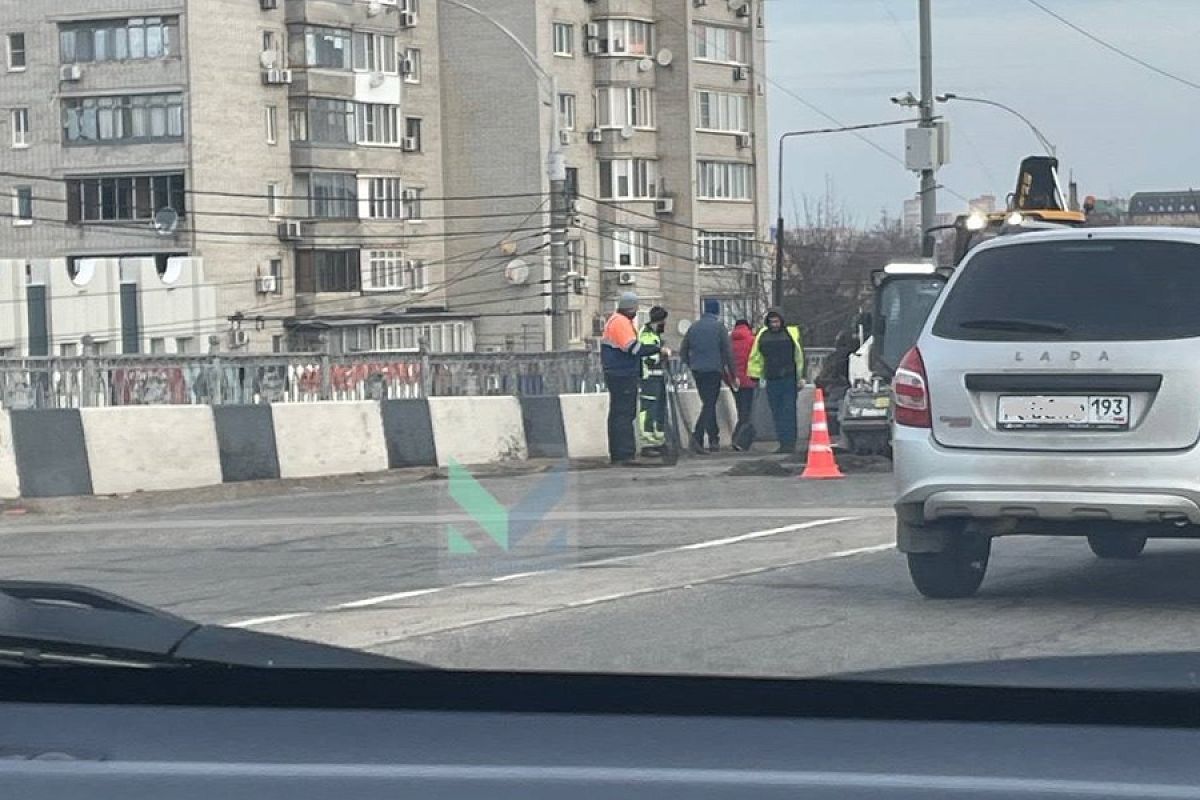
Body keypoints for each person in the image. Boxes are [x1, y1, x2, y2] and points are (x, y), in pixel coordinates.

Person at [601, 292, 666, 465]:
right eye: (636, 307)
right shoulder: (620, 323)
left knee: (618, 413)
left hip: (617, 373)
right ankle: (624, 453)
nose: (637, 311)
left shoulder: (617, 321)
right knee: (624, 413)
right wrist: (657, 349)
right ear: (631, 307)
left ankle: (619, 453)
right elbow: (634, 349)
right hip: (621, 374)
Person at [747, 308, 805, 455]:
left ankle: (789, 442)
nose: (774, 324)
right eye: (772, 321)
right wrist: (754, 374)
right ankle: (783, 442)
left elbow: (799, 357)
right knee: (777, 413)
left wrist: (801, 377)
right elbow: (756, 356)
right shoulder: (763, 335)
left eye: (777, 321)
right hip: (772, 378)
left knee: (788, 411)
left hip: (788, 378)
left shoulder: (792, 333)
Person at [679, 299, 733, 454]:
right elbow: (728, 352)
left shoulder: (693, 327)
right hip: (714, 371)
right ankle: (697, 437)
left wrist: (691, 364)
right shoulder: (719, 328)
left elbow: (683, 350)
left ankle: (713, 439)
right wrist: (732, 372)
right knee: (709, 404)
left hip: (698, 371)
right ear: (717, 311)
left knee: (708, 403)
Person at [637, 306, 670, 457]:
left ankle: (658, 441)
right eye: (663, 322)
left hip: (658, 378)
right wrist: (661, 354)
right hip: (648, 378)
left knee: (659, 410)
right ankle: (647, 443)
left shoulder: (654, 335)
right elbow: (647, 357)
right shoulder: (646, 335)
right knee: (649, 409)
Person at [815, 330, 859, 438]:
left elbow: (823, 377)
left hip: (834, 390)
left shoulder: (833, 357)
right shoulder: (857, 357)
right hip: (842, 390)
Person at [729, 318, 758, 451]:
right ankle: (739, 440)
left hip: (734, 381)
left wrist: (730, 379)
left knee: (741, 409)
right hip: (750, 380)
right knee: (747, 413)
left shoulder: (729, 342)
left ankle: (738, 439)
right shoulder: (753, 340)